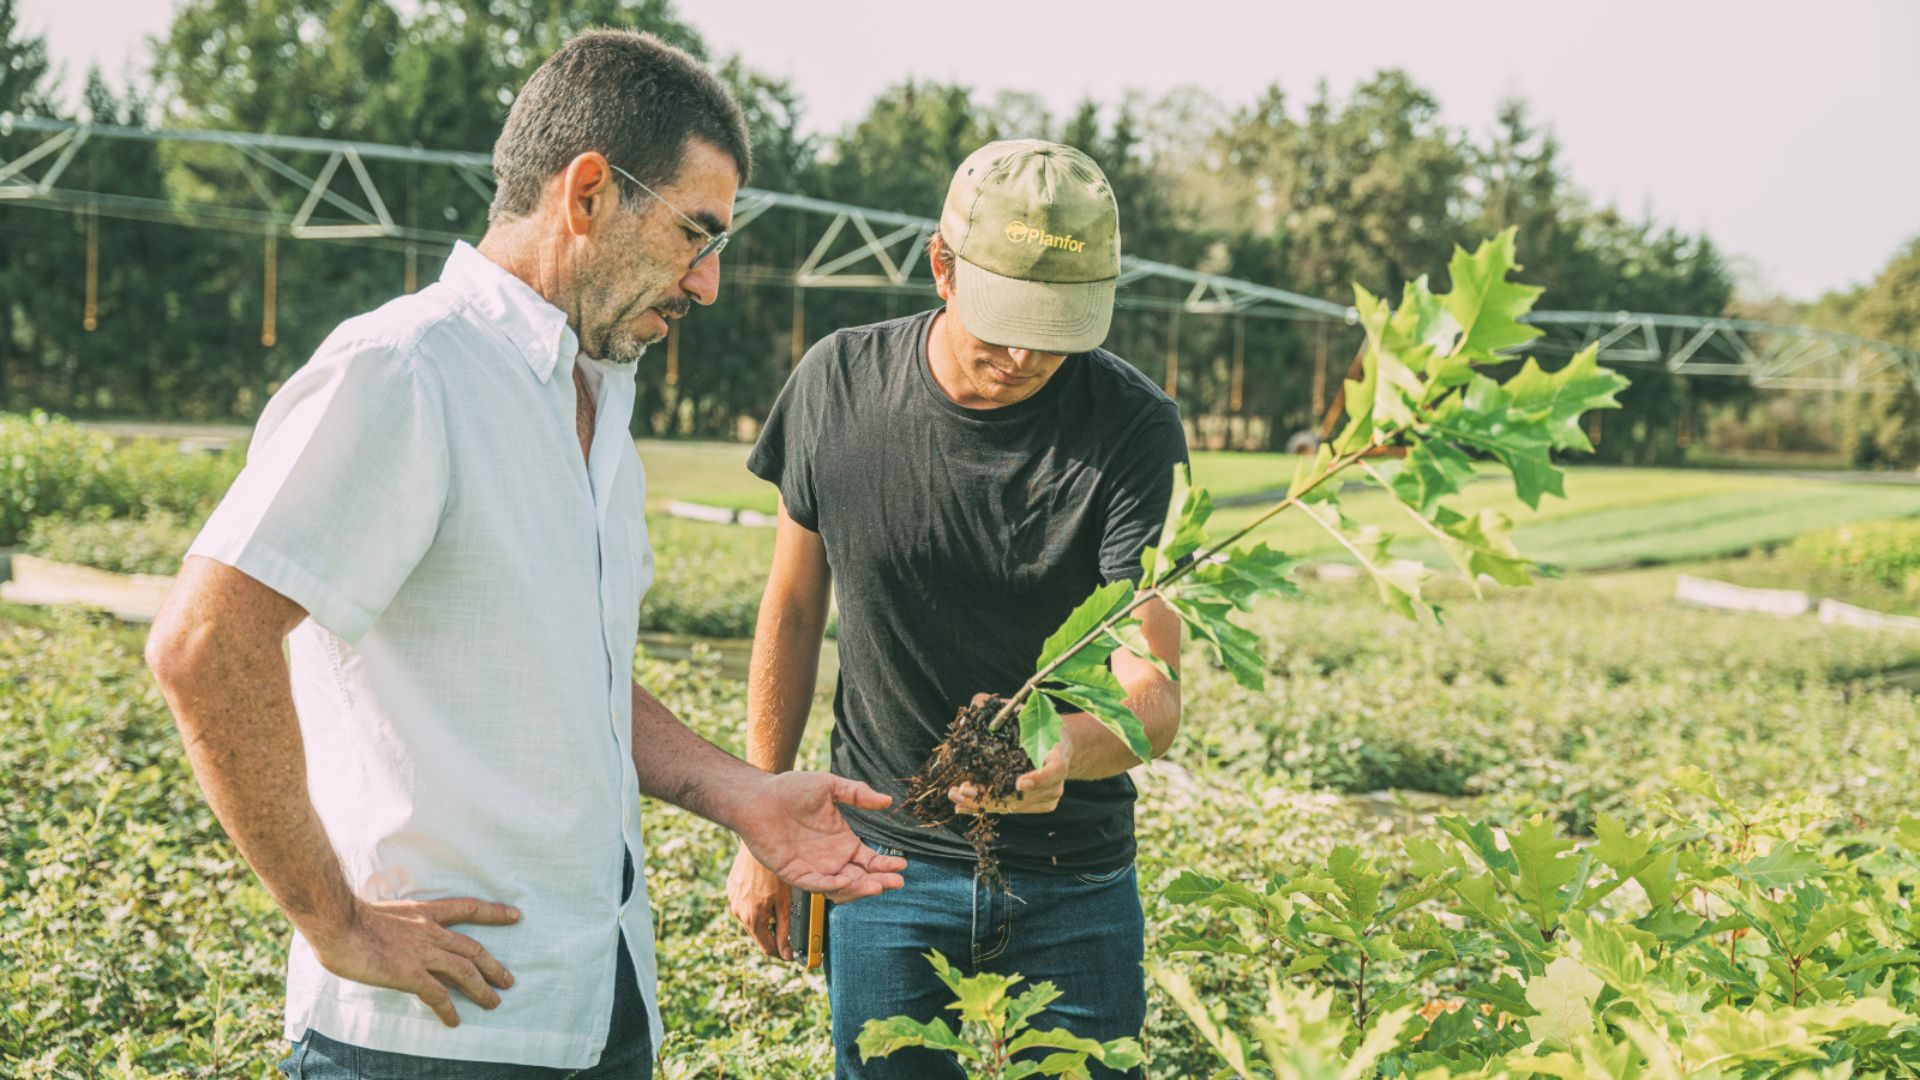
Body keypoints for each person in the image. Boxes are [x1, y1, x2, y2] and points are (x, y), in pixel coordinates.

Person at [144, 30, 905, 1079]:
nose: (710, 281)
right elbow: (204, 644)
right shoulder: (407, 369)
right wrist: (337, 925)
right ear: (587, 192)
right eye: (696, 233)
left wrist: (741, 793)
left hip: (590, 1001)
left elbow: (562, 675)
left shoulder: (593, 394)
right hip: (429, 1035)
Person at [726, 139, 1186, 1079]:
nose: (1026, 355)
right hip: (880, 870)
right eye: (1007, 320)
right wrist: (761, 817)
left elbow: (1156, 687)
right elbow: (791, 609)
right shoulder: (837, 388)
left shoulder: (1135, 427)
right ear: (942, 265)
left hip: (1077, 879)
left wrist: (1070, 748)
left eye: (1057, 328)